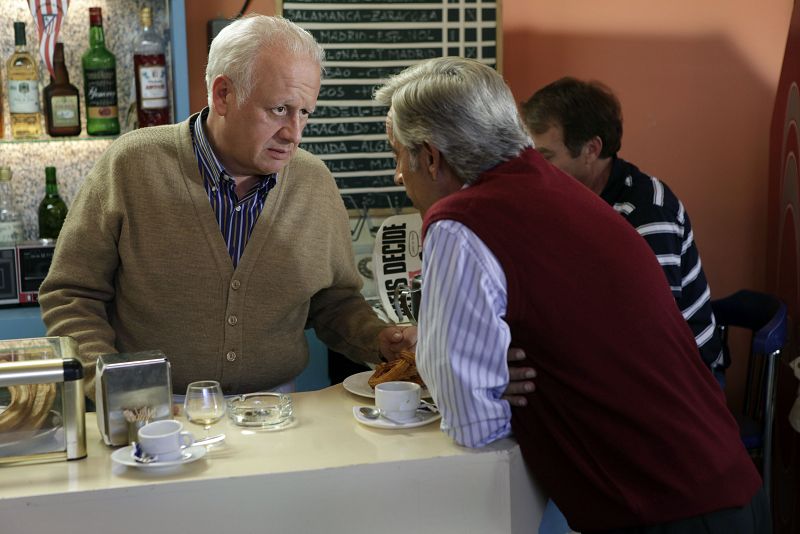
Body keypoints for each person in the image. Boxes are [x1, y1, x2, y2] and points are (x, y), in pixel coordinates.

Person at [374, 57, 769, 533]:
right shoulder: (561, 188)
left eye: (398, 154)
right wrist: (493, 374)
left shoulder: (460, 223)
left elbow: (471, 423)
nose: (398, 174)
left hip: (660, 511)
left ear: (432, 156)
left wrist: (493, 385)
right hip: (726, 489)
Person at [37, 15, 417, 398]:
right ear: (223, 95)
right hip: (154, 409)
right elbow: (72, 294)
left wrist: (379, 339)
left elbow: (334, 302)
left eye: (305, 113)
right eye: (279, 109)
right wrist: (116, 385)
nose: (294, 134)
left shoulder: (314, 182)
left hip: (277, 410)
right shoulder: (131, 165)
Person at [520, 77, 726, 385]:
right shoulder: (562, 198)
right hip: (617, 358)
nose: (534, 167)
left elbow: (651, 329)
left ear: (591, 149)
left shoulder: (648, 210)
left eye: (546, 156)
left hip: (680, 377)